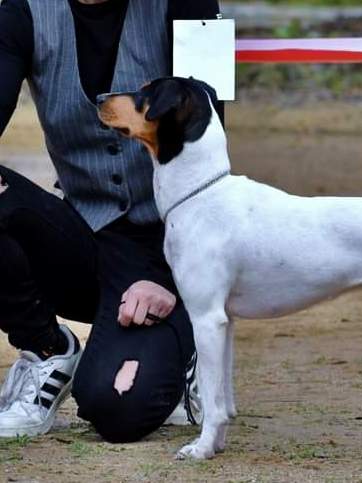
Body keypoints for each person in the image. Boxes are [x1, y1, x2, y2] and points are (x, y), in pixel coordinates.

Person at [0, 0, 221, 443]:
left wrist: (176, 278)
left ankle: (188, 349)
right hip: (81, 236)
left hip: (169, 251)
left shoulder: (190, 2)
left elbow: (212, 153)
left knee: (115, 410)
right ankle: (47, 349)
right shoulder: (21, 11)